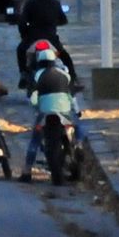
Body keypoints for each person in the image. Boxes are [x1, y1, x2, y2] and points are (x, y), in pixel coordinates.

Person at [18, 47, 80, 183]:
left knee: (35, 140)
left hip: (45, 113)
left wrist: (36, 105)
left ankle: (27, 171)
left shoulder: (38, 75)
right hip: (64, 113)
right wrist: (76, 111)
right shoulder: (65, 74)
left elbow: (33, 99)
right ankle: (78, 149)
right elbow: (71, 96)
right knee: (77, 130)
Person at [15, 0, 76, 81]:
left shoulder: (30, 3)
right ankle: (73, 78)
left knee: (20, 51)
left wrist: (24, 35)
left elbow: (22, 22)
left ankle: (23, 73)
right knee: (65, 56)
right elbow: (63, 20)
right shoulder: (56, 3)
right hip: (51, 38)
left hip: (32, 38)